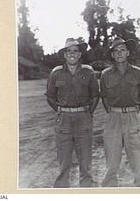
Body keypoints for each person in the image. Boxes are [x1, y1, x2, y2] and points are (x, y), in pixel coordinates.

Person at [46, 38, 99, 188]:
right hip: (64, 120)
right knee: (64, 161)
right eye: (69, 51)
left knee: (85, 161)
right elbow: (50, 96)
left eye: (75, 51)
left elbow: (95, 95)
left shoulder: (88, 72)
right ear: (64, 55)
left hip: (83, 118)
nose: (72, 54)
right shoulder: (56, 73)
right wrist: (61, 111)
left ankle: (86, 192)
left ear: (80, 54)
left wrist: (89, 113)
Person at [100, 37, 140, 187]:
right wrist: (114, 112)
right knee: (112, 157)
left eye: (122, 50)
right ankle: (110, 188)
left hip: (132, 117)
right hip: (113, 118)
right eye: (116, 51)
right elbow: (104, 98)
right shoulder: (105, 74)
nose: (119, 53)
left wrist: (131, 112)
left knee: (137, 155)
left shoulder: (138, 73)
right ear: (112, 55)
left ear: (128, 53)